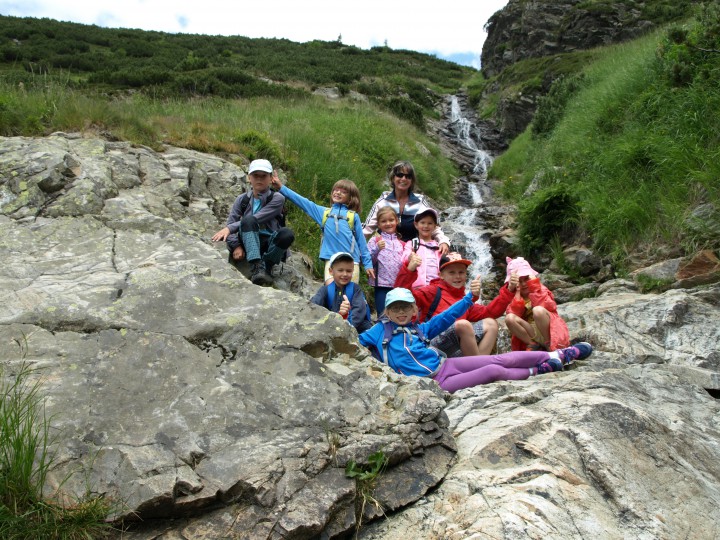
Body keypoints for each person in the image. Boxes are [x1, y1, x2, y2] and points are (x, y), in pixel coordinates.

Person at [358, 287, 593, 394]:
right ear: (387, 312)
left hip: (446, 365)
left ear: (413, 310)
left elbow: (446, 317)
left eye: (405, 307)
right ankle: (538, 370)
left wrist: (469, 298)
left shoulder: (420, 329)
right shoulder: (378, 331)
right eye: (395, 308)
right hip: (433, 384)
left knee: (498, 359)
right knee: (492, 371)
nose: (400, 312)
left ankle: (559, 354)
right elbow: (349, 339)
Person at [396, 252, 517, 356]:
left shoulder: (464, 299)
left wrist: (510, 289)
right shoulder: (432, 291)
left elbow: (490, 312)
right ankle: (478, 366)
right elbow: (401, 297)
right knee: (463, 324)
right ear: (441, 275)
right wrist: (409, 270)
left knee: (491, 323)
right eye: (452, 272)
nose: (457, 276)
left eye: (461, 272)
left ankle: (479, 363)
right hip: (431, 346)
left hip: (454, 350)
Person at [271, 174, 375, 284]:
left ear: (351, 198)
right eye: (336, 190)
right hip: (331, 260)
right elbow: (303, 202)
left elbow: (361, 242)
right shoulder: (324, 213)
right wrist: (281, 187)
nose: (338, 193)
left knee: (349, 293)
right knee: (331, 291)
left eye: (344, 192)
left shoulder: (353, 216)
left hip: (351, 261)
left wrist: (368, 264)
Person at [212, 159, 294, 286]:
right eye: (255, 175)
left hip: (269, 241)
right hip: (248, 239)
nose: (259, 179)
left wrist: (229, 228)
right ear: (249, 177)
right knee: (248, 221)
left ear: (270, 178)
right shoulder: (242, 200)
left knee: (287, 234)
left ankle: (267, 264)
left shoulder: (278, 198)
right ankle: (256, 266)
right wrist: (236, 246)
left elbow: (258, 218)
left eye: (264, 176)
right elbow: (232, 222)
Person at [363, 160, 450, 254]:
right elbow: (367, 228)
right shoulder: (383, 201)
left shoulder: (420, 201)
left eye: (408, 176)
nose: (403, 179)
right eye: (400, 175)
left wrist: (443, 241)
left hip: (412, 253)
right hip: (385, 254)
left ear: (412, 181)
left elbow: (433, 226)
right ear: (393, 178)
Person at [504, 256, 570, 351]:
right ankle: (533, 345)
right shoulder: (514, 295)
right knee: (509, 318)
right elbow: (515, 314)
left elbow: (550, 306)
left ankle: (549, 344)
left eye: (526, 279)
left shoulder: (540, 288)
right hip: (531, 332)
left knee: (538, 310)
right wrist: (517, 293)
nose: (523, 284)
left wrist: (534, 286)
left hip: (549, 331)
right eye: (519, 281)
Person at [311, 252, 372, 333]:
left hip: (353, 326)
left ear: (352, 271)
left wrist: (346, 327)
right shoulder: (325, 290)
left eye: (349, 271)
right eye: (340, 270)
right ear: (331, 271)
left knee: (368, 328)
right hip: (332, 326)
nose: (345, 274)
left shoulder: (356, 289)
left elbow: (359, 311)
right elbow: (313, 305)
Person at [366, 206, 405, 314]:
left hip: (398, 285)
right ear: (378, 224)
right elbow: (368, 260)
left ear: (396, 221)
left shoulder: (402, 244)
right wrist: (377, 249)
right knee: (383, 314)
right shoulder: (375, 240)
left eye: (391, 220)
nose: (388, 223)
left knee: (398, 314)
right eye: (383, 221)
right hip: (381, 285)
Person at [395, 208, 443, 289]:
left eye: (430, 223)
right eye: (422, 222)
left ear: (435, 226)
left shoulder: (439, 246)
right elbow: (403, 259)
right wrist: (409, 258)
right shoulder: (411, 243)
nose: (426, 226)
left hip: (437, 288)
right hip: (417, 288)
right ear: (416, 225)